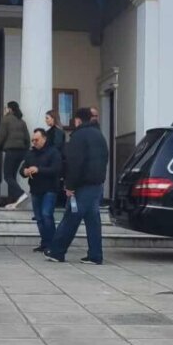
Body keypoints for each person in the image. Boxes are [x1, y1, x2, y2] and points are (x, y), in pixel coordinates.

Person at [48, 107, 109, 265]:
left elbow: (75, 163)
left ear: (78, 120)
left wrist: (70, 186)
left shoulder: (78, 136)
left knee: (71, 217)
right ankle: (95, 255)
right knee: (93, 220)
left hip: (82, 186)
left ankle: (57, 251)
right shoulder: (99, 135)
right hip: (96, 185)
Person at [22, 128, 62, 252]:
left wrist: (38, 170)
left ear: (44, 139)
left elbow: (56, 169)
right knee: (39, 218)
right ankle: (45, 243)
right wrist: (25, 171)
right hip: (35, 189)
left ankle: (52, 244)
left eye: (37, 140)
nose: (34, 142)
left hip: (50, 188)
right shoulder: (30, 153)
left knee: (46, 215)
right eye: (33, 140)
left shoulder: (53, 152)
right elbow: (23, 168)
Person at [0, 101, 30, 206]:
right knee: (12, 176)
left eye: (6, 108)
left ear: (9, 109)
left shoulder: (6, 120)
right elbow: (27, 139)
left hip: (11, 151)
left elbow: (0, 137)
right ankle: (12, 201)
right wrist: (25, 150)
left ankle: (21, 194)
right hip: (21, 152)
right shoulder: (22, 122)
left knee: (7, 176)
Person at [44, 110, 67, 203]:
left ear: (53, 118)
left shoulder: (56, 132)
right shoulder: (54, 131)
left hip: (54, 161)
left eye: (47, 118)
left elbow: (56, 146)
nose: (45, 120)